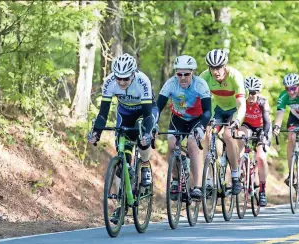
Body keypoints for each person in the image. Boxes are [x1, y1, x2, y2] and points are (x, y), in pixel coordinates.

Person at [88, 53, 158, 190]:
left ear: (133, 74)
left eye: (125, 78)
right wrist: (97, 132)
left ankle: (144, 164)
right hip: (124, 112)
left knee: (143, 135)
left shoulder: (143, 81)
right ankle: (121, 204)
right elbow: (103, 114)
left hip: (145, 111)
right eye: (118, 77)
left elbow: (148, 116)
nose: (121, 82)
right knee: (123, 158)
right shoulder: (109, 81)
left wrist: (147, 133)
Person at [156, 55, 212, 200]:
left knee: (193, 144)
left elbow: (207, 111)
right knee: (171, 144)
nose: (182, 78)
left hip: (197, 119)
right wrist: (153, 123)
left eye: (186, 74)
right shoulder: (170, 84)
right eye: (179, 74)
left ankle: (198, 186)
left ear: (192, 73)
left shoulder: (200, 84)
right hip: (178, 119)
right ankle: (175, 179)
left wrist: (201, 127)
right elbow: (157, 107)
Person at [200, 49, 246, 195]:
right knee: (205, 134)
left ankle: (235, 175)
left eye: (219, 67)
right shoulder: (205, 77)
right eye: (212, 68)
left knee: (228, 135)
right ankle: (208, 179)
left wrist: (238, 121)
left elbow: (241, 104)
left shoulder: (235, 76)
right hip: (218, 109)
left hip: (233, 110)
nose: (216, 71)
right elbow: (198, 101)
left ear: (225, 66)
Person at [239, 77, 272, 206]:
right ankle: (241, 164)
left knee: (261, 157)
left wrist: (264, 136)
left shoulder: (263, 102)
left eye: (254, 92)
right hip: (247, 126)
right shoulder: (241, 101)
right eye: (248, 92)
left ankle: (262, 190)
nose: (251, 95)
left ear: (258, 93)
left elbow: (267, 121)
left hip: (262, 128)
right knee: (240, 136)